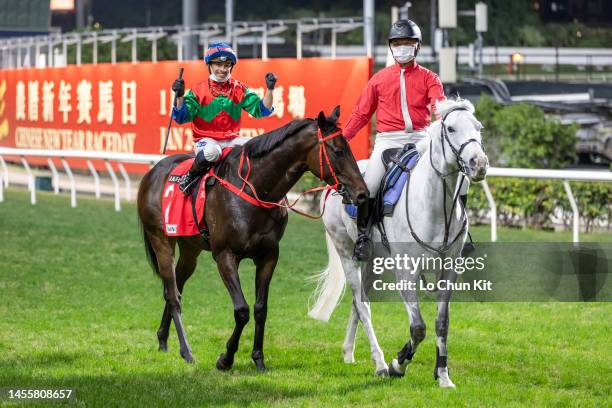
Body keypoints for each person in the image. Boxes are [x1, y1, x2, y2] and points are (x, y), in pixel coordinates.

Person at [343, 19, 457, 261]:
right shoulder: (378, 79)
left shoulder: (430, 78)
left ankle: (460, 234)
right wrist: (342, 140)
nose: (402, 47)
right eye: (397, 43)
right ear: (390, 47)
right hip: (387, 141)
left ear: (417, 47)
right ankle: (363, 237)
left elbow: (440, 106)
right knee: (370, 185)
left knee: (456, 179)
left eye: (408, 42)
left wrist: (448, 119)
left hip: (421, 140)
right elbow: (361, 114)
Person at [171, 42, 277, 194]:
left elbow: (262, 110)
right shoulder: (198, 90)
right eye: (218, 65)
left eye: (227, 65)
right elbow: (182, 117)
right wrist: (180, 95)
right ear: (210, 65)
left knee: (257, 148)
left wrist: (270, 89)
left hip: (232, 139)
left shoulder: (239, 88)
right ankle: (189, 176)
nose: (222, 69)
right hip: (206, 140)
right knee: (213, 152)